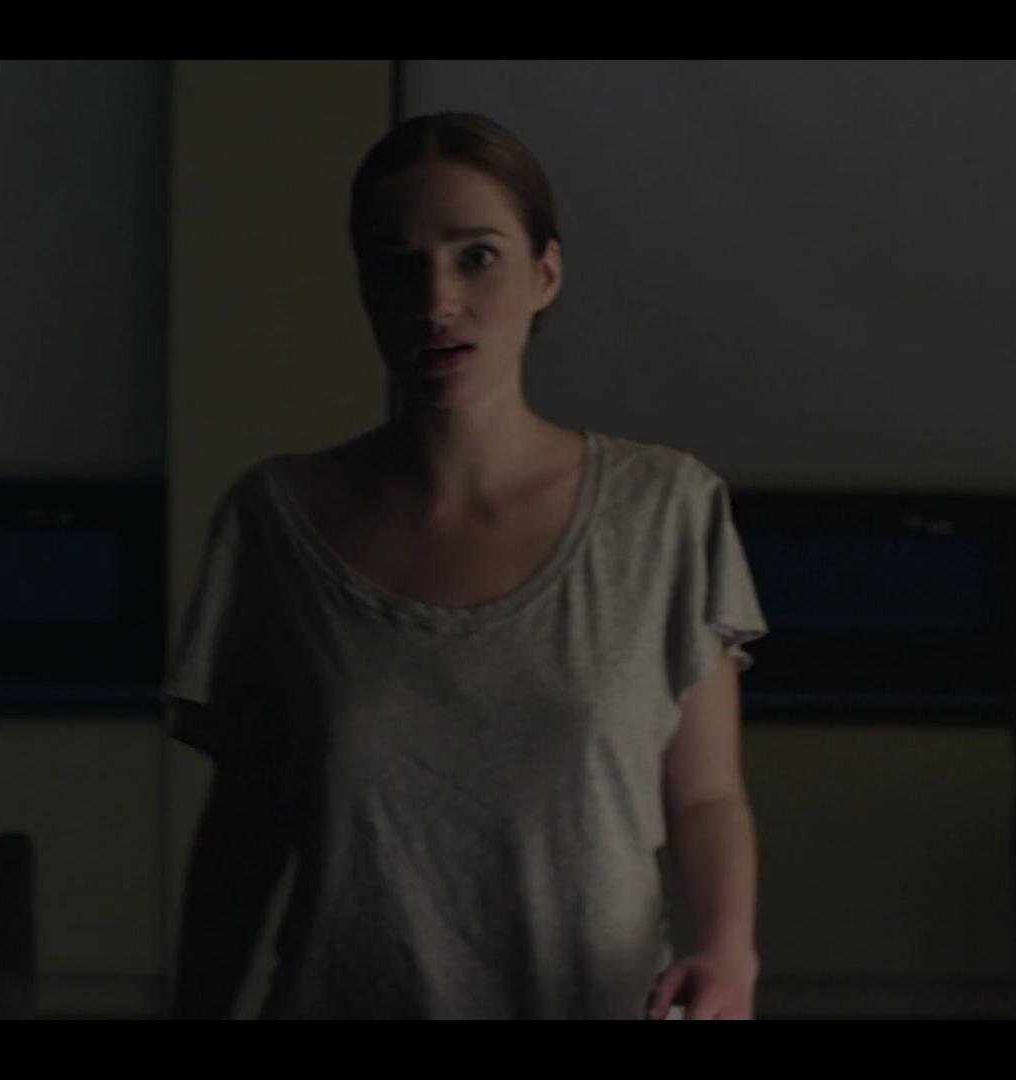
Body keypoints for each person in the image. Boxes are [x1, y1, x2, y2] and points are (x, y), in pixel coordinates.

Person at [164, 112, 768, 1020]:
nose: (436, 300)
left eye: (476, 256)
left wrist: (727, 951)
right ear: (366, 289)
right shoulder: (276, 522)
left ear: (544, 273)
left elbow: (707, 794)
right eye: (398, 265)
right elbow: (243, 825)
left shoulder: (665, 511)